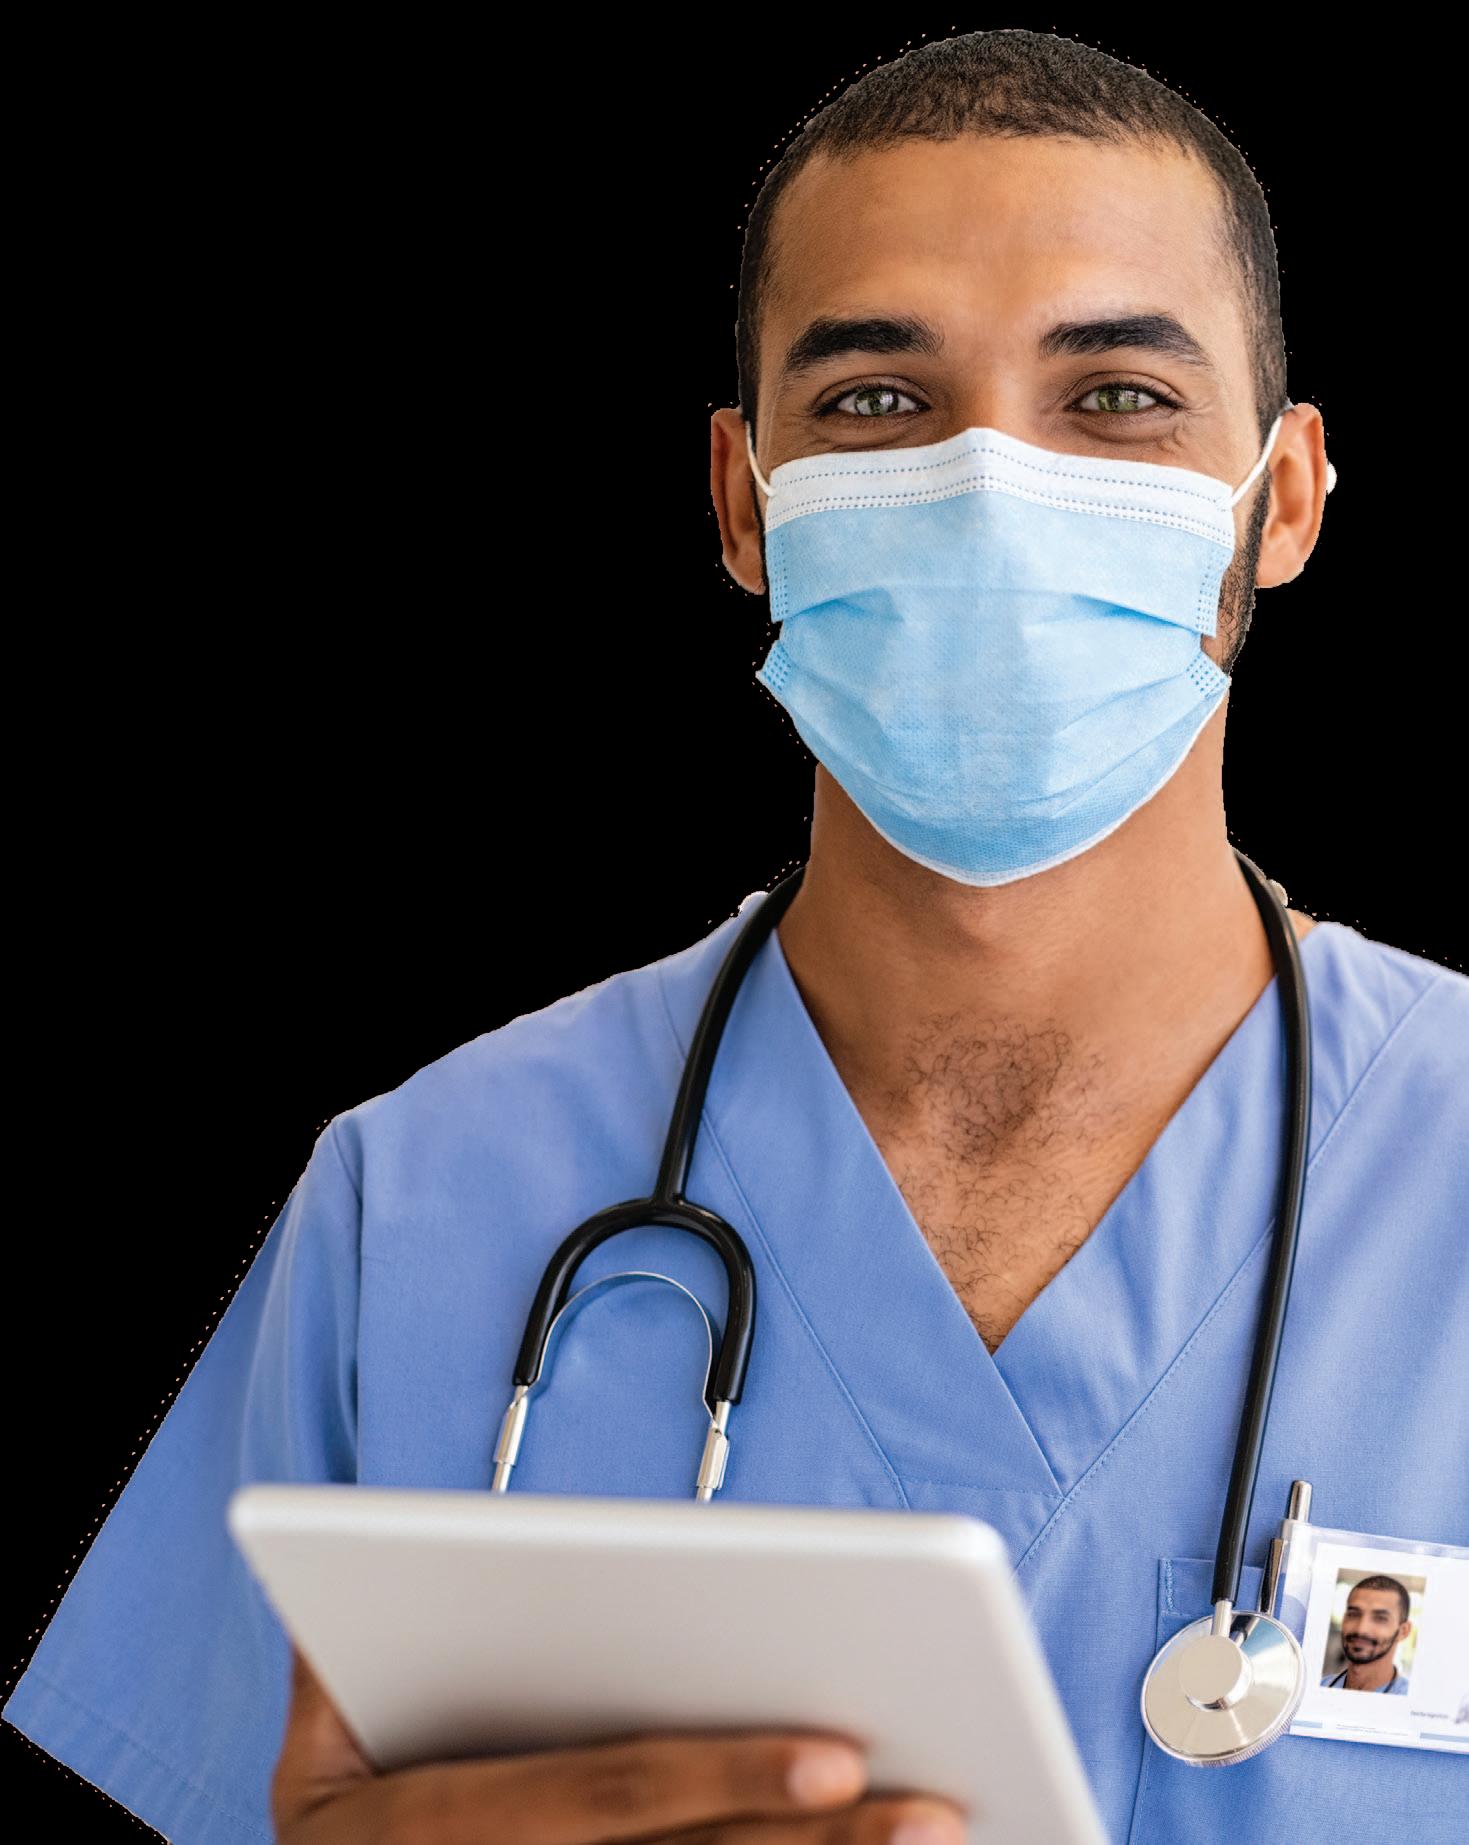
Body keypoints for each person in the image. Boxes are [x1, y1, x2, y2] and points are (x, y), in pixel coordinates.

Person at [6, 27, 1468, 1845]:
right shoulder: (417, 1204)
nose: (988, 489)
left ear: (1285, 497)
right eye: (876, 402)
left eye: (1112, 397)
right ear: (739, 504)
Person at [1320, 1576, 1414, 1695]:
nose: (1361, 1629)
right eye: (1353, 1614)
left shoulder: (1410, 1699)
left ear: (1403, 1631)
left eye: (1380, 1618)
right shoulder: (1320, 1685)